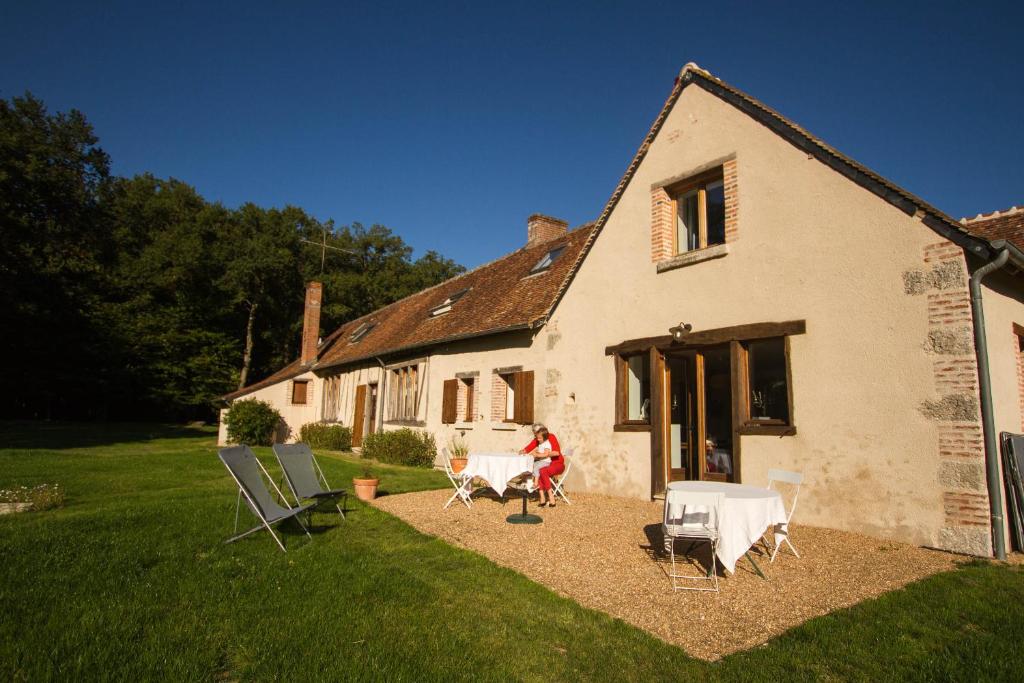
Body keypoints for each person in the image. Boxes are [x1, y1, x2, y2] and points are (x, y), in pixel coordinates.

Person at [519, 423, 564, 508]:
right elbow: (529, 447)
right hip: (546, 463)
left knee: (542, 470)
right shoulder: (538, 438)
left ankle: (551, 498)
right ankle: (542, 498)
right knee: (538, 470)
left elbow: (556, 453)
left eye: (535, 434)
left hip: (557, 464)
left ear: (541, 432)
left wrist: (541, 454)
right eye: (535, 434)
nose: (535, 436)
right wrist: (522, 451)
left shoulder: (551, 437)